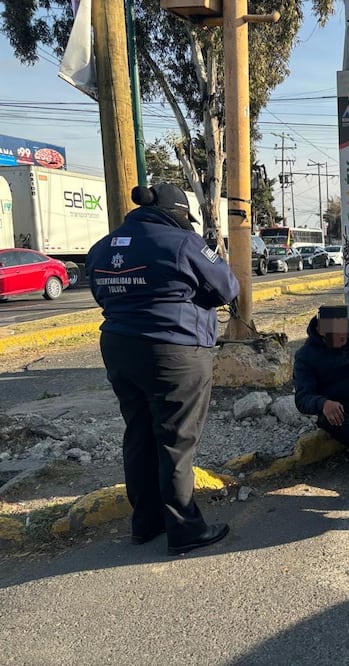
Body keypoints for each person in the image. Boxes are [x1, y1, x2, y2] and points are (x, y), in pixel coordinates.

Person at [86, 183, 240, 556]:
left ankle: (146, 523)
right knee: (176, 440)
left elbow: (101, 295)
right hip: (174, 350)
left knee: (139, 433)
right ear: (178, 214)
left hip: (119, 347)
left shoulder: (102, 247)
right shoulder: (184, 242)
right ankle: (185, 530)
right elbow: (228, 288)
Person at [293, 305, 349, 456]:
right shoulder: (305, 356)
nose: (343, 336)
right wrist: (323, 403)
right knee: (332, 419)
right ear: (321, 331)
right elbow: (302, 398)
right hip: (341, 406)